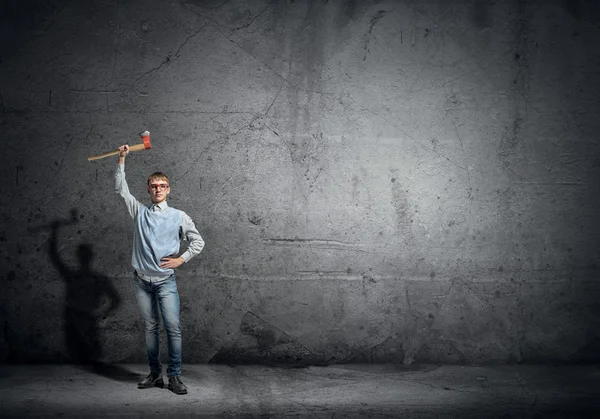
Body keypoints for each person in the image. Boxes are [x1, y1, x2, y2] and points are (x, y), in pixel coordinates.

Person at [115, 144, 205, 395]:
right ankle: (155, 374)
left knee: (173, 328)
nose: (158, 189)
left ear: (168, 189)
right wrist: (122, 159)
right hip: (141, 280)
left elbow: (198, 241)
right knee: (151, 328)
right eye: (153, 186)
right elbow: (121, 190)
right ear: (148, 189)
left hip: (166, 281)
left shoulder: (179, 216)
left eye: (162, 185)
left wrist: (182, 259)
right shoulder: (139, 211)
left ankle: (174, 376)